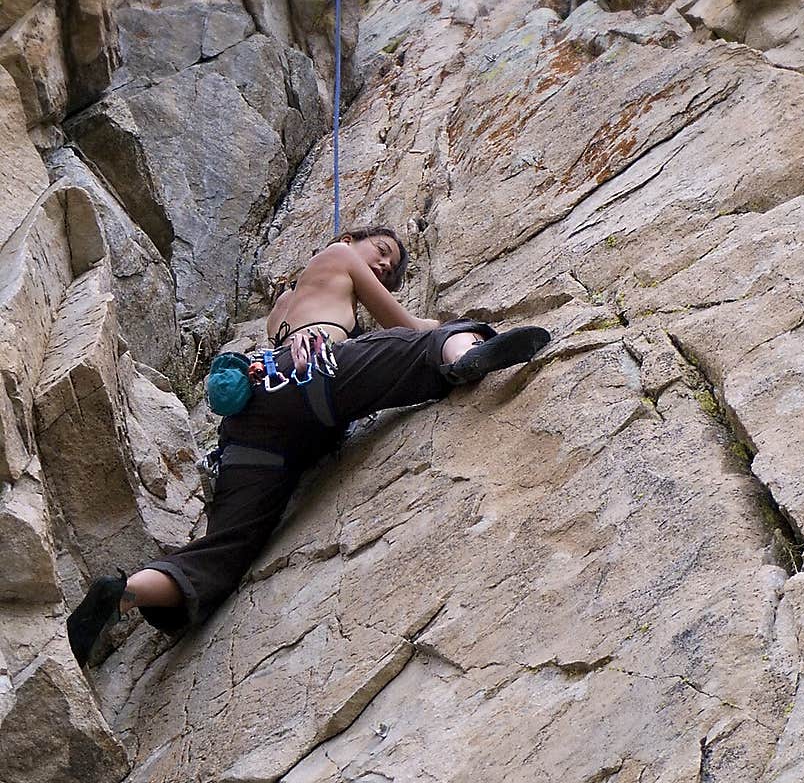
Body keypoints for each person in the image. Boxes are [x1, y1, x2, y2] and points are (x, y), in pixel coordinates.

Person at [67, 225, 550, 666]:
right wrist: (455, 322)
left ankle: (125, 592)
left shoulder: (282, 309)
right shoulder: (339, 254)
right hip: (317, 375)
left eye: (390, 268)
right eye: (381, 253)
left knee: (226, 549)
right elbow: (401, 324)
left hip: (256, 426)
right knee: (428, 343)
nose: (383, 266)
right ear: (354, 238)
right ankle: (466, 355)